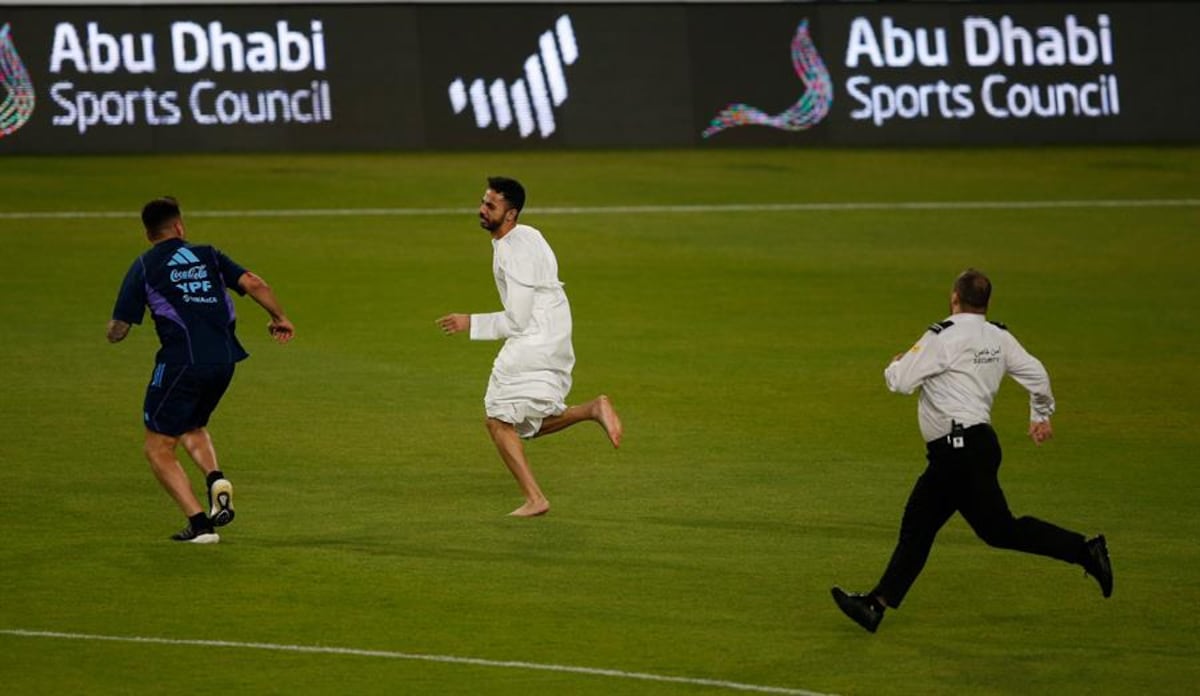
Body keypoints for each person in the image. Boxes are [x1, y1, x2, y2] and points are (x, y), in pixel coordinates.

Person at [831, 268, 1112, 633]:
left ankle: (1086, 551)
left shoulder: (943, 336)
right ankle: (875, 605)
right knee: (942, 525)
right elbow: (1037, 374)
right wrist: (1040, 415)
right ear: (986, 303)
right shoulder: (999, 336)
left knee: (970, 527)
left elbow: (900, 383)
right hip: (972, 447)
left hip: (957, 450)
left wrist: (896, 363)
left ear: (954, 297)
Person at [108, 197, 294, 543]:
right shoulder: (208, 254)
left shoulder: (145, 266)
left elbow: (119, 331)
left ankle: (199, 525)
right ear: (179, 227)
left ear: (149, 234)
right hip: (224, 361)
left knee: (158, 447)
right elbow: (254, 282)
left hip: (181, 362)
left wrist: (114, 330)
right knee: (192, 424)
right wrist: (279, 317)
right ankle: (214, 480)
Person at [437, 176, 623, 517]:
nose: (481, 209)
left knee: (497, 418)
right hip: (555, 326)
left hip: (535, 334)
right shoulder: (528, 234)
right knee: (523, 423)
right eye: (483, 201)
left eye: (490, 206)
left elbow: (517, 320)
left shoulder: (513, 252)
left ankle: (535, 498)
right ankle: (592, 409)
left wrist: (470, 322)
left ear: (511, 215)